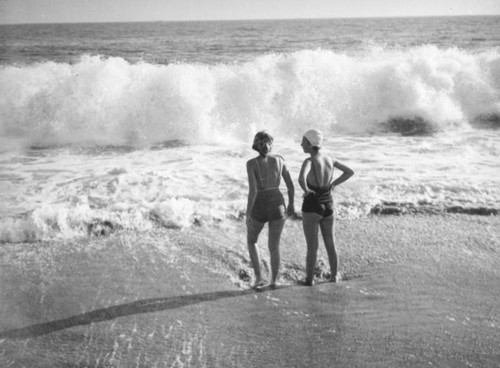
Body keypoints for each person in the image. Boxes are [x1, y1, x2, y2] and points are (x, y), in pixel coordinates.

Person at [298, 129, 354, 286]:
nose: (301, 144)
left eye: (303, 141)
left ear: (309, 144)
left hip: (312, 204)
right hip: (329, 204)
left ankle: (309, 280)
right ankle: (334, 276)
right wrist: (333, 184)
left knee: (312, 246)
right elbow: (349, 172)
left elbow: (301, 179)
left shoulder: (309, 161)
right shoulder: (330, 158)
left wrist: (306, 190)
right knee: (330, 242)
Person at [246, 131, 295, 289]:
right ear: (270, 144)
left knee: (252, 240)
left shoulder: (251, 163)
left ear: (256, 146)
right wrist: (292, 205)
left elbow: (253, 191)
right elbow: (290, 186)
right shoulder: (280, 160)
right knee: (274, 246)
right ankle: (274, 280)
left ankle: (259, 277)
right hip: (278, 206)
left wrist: (248, 213)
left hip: (260, 205)